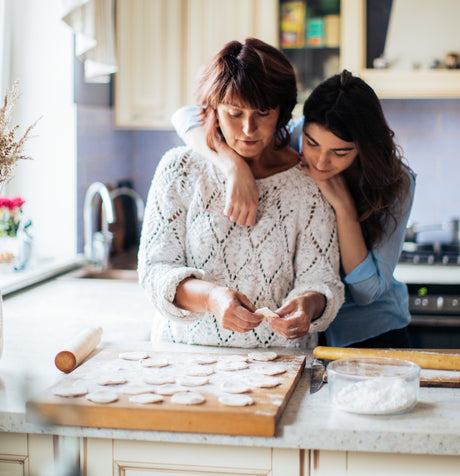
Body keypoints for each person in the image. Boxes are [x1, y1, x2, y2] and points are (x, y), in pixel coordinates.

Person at [171, 69, 415, 349]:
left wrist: (344, 208)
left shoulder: (397, 182)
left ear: (363, 148)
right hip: (302, 336)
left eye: (341, 152)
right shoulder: (291, 137)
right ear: (303, 127)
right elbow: (186, 116)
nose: (322, 161)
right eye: (312, 144)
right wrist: (233, 167)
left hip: (368, 331)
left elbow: (366, 292)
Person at [138, 38, 344, 349]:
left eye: (263, 112)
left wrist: (308, 305)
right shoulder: (179, 169)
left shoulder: (308, 183)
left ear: (282, 112)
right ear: (213, 110)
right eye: (235, 113)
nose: (249, 129)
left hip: (280, 362)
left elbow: (324, 280)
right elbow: (155, 271)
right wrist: (211, 298)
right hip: (184, 361)